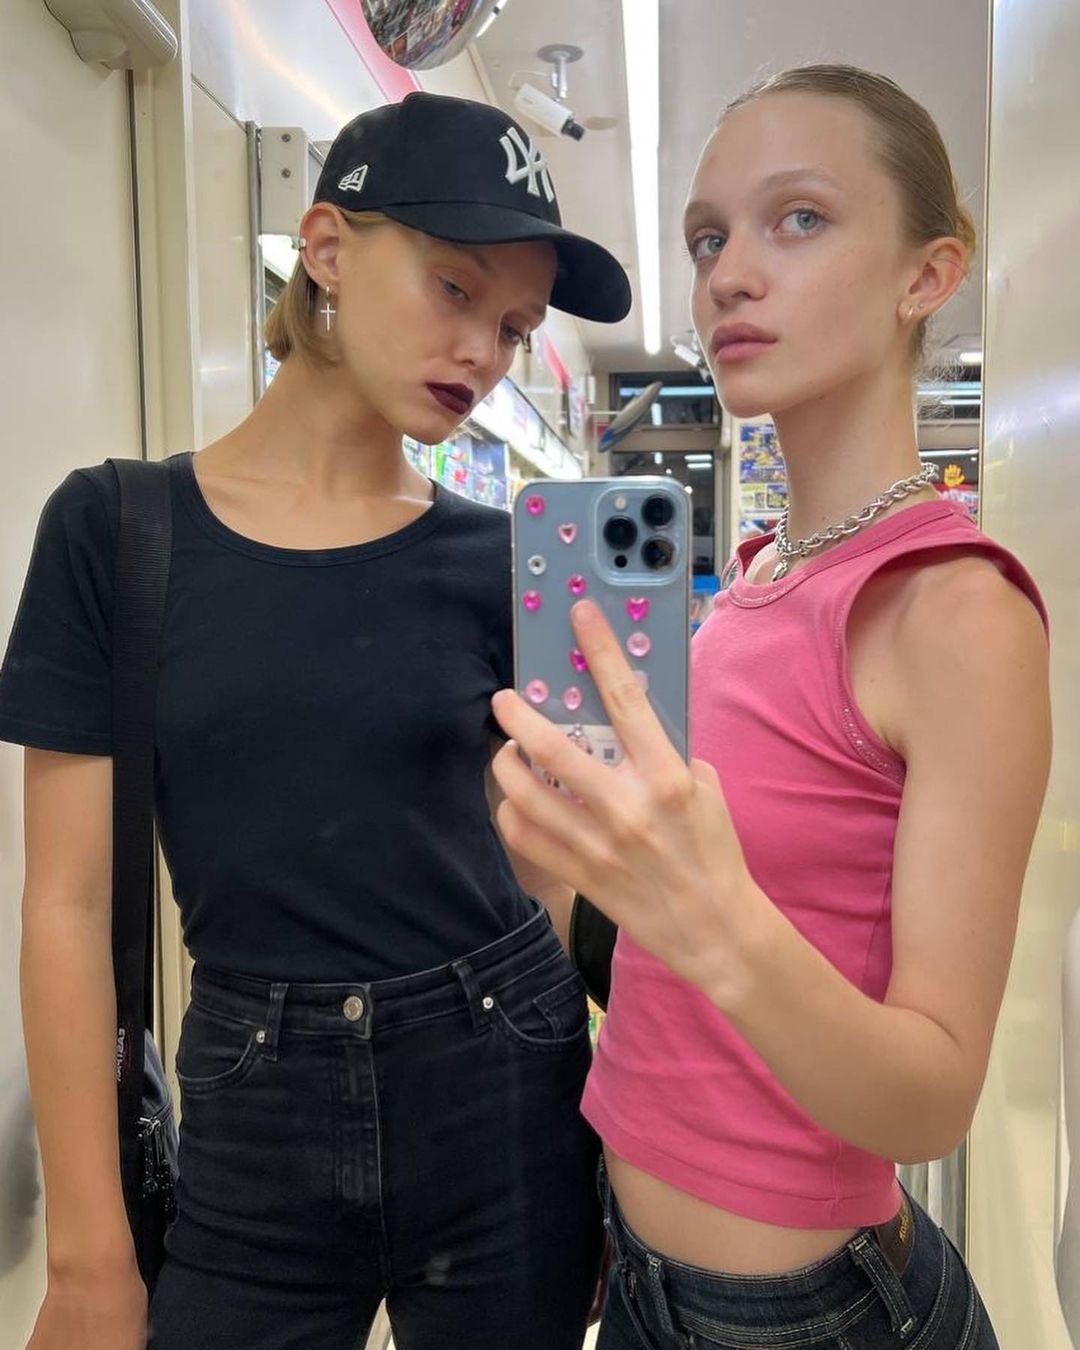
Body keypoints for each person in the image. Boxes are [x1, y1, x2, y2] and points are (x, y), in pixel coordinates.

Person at [1, 91, 630, 1350]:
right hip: (252, 1100)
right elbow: (65, 905)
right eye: (454, 289)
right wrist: (87, 1255)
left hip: (505, 1068)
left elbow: (549, 868)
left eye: (514, 327)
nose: (483, 352)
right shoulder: (117, 531)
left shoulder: (508, 559)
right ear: (329, 248)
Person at [491, 65, 1051, 1349]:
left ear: (927, 274)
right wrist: (567, 864)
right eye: (709, 238)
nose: (730, 276)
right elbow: (668, 976)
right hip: (637, 1272)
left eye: (799, 218)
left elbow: (930, 1103)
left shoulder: (953, 610)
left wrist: (707, 912)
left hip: (802, 1314)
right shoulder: (747, 587)